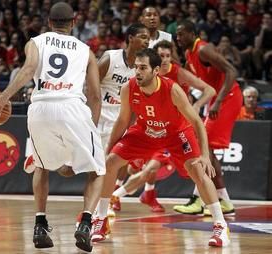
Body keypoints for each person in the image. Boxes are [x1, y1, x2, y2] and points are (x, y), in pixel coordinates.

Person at [0, 2, 105, 252]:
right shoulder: (85, 50)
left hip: (40, 107)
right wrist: (90, 130)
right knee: (97, 169)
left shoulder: (36, 42)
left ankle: (40, 223)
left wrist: (4, 96)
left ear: (49, 22)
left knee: (41, 165)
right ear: (73, 23)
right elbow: (95, 95)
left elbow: (28, 69)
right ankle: (85, 223)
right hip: (72, 107)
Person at [91, 48, 230, 248]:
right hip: (145, 131)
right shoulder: (129, 87)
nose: (137, 72)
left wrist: (206, 155)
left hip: (177, 133)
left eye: (143, 68)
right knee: (110, 163)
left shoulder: (171, 89)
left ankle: (220, 225)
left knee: (198, 170)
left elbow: (197, 122)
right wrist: (109, 150)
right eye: (136, 67)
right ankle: (101, 219)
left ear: (156, 70)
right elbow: (122, 121)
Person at [110, 40, 216, 207]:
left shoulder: (177, 75)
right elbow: (125, 117)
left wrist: (196, 106)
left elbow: (209, 91)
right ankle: (145, 193)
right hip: (150, 130)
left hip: (175, 132)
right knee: (128, 165)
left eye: (168, 56)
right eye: (161, 56)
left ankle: (123, 194)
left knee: (181, 169)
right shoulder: (135, 83)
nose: (165, 59)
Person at [173, 20, 243, 216]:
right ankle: (223, 201)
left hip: (228, 98)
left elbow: (231, 70)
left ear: (192, 34)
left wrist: (218, 102)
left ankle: (198, 200)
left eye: (181, 34)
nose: (178, 38)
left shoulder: (202, 50)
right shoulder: (189, 54)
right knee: (207, 149)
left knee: (204, 146)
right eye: (176, 35)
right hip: (217, 100)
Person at [97, 23, 149, 214]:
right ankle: (42, 159)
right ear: (130, 38)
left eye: (148, 38)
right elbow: (91, 84)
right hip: (98, 119)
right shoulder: (111, 58)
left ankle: (99, 210)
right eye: (143, 37)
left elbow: (138, 100)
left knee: (108, 167)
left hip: (119, 123)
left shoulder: (142, 68)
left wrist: (132, 127)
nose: (147, 41)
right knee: (70, 169)